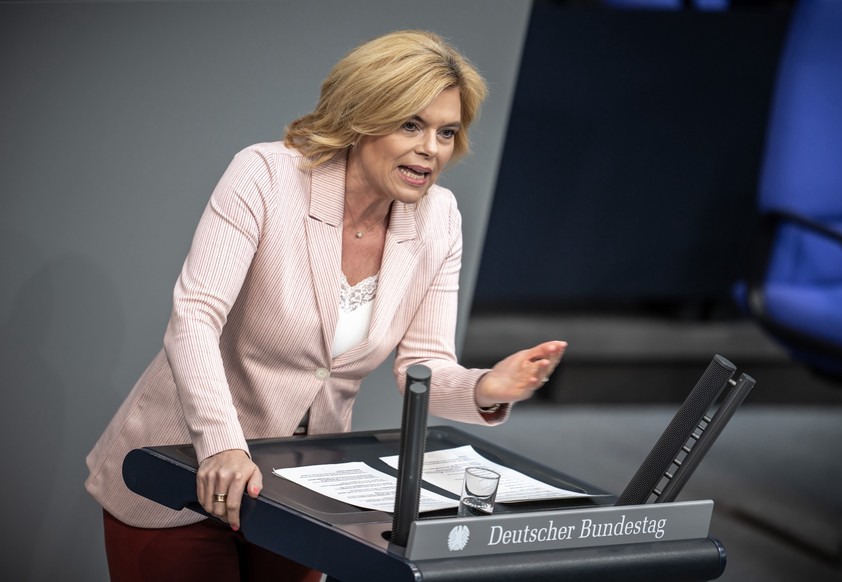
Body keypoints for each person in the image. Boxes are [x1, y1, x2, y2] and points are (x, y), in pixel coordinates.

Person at [86, 29, 567, 581]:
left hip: (303, 487)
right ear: (362, 115)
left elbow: (423, 364)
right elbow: (194, 318)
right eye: (411, 123)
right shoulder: (265, 176)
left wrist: (485, 388)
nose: (431, 148)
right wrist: (221, 447)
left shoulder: (440, 218)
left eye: (446, 131)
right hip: (184, 464)